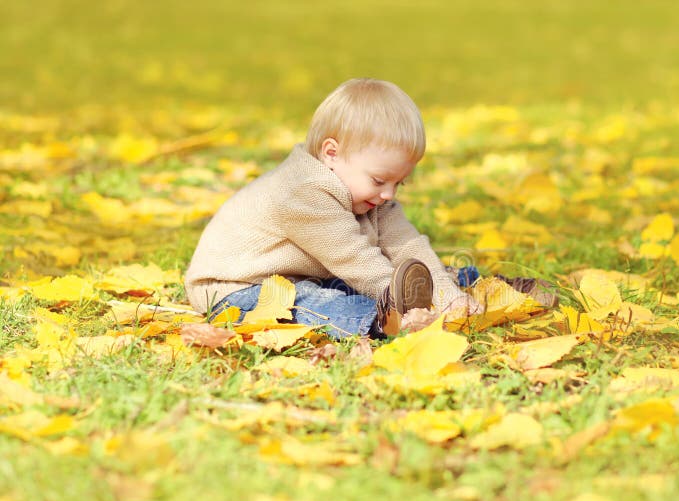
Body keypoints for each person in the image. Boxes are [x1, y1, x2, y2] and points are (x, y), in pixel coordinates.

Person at [184, 78, 552, 338]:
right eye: (380, 181)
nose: (389, 194)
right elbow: (357, 261)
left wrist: (445, 296)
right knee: (314, 302)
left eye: (399, 182)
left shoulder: (367, 190)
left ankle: (467, 286)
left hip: (305, 271)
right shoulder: (301, 193)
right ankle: (381, 321)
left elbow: (407, 244)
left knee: (401, 272)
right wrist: (401, 304)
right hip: (237, 288)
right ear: (332, 154)